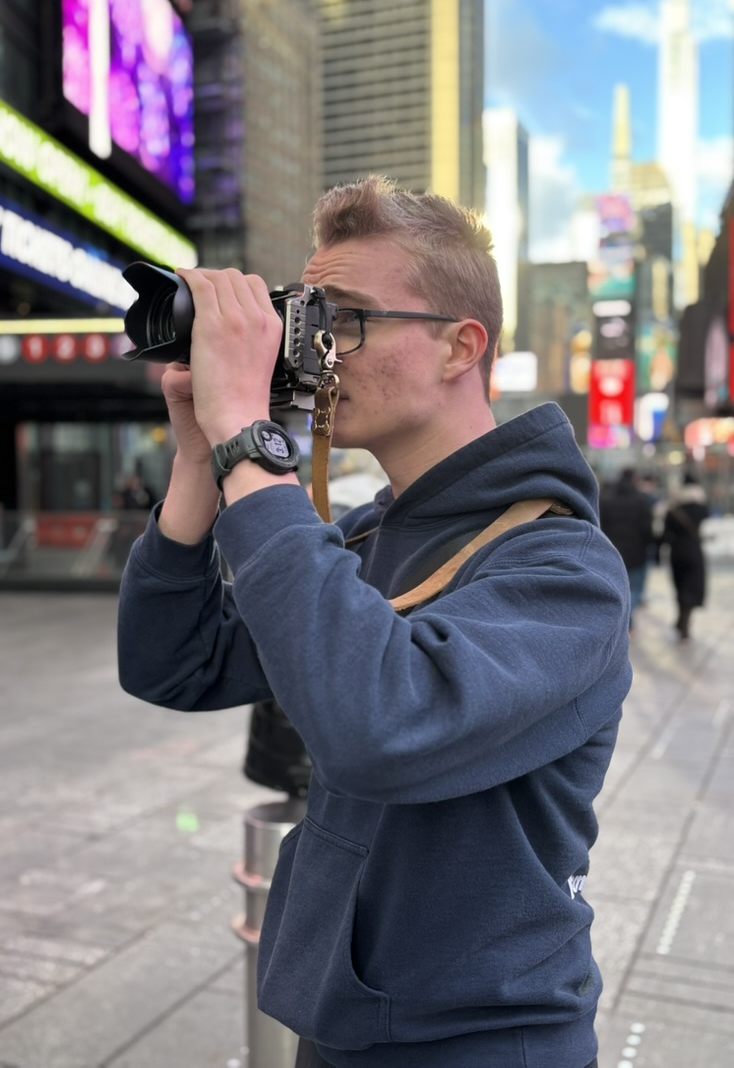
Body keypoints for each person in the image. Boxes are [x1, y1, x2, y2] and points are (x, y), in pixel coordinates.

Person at [117, 175, 632, 1068]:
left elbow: (380, 727)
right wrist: (202, 456)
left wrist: (248, 432)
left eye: (344, 319)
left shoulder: (565, 570)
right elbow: (173, 664)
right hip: (342, 1022)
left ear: (458, 348)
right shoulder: (364, 534)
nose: (317, 352)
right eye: (307, 317)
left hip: (479, 1041)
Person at [598, 467, 654, 631]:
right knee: (636, 588)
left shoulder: (607, 500)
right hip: (638, 553)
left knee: (619, 588)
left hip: (614, 553)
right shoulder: (641, 500)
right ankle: (627, 620)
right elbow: (647, 529)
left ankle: (624, 620)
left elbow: (602, 527)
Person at [662, 472, 710, 641]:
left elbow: (664, 533)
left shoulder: (673, 510)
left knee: (680, 585)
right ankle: (684, 623)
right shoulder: (700, 508)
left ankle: (680, 619)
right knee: (692, 586)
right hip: (694, 551)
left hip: (677, 552)